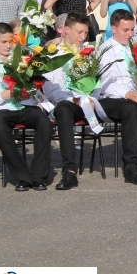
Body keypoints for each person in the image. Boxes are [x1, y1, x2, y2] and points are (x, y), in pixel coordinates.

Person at [95, 9, 137, 185]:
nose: (130, 34)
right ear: (113, 28)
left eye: (132, 29)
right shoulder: (105, 50)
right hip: (111, 98)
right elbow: (104, 84)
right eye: (125, 30)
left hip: (135, 95)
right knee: (131, 110)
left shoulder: (135, 48)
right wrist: (128, 94)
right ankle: (132, 167)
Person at [0, 22, 52, 191]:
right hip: (2, 108)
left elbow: (34, 85)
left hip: (25, 105)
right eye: (4, 42)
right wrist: (12, 92)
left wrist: (37, 97)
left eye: (10, 41)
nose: (8, 46)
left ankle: (39, 176)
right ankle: (22, 177)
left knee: (44, 123)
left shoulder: (22, 59)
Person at [42, 12, 92, 190]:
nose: (82, 37)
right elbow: (50, 87)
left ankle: (132, 166)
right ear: (66, 30)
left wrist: (93, 98)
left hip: (89, 103)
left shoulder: (89, 53)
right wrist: (72, 99)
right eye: (79, 32)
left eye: (85, 33)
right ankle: (69, 171)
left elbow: (99, 82)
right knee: (64, 108)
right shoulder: (53, 54)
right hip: (67, 102)